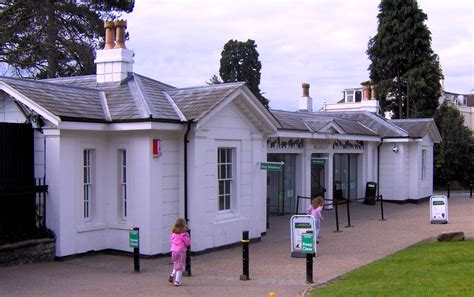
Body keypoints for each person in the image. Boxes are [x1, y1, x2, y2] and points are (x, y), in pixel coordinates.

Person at [168, 218, 190, 287]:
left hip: (173, 251)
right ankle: (177, 281)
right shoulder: (184, 234)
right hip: (181, 251)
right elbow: (187, 243)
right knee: (180, 266)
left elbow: (171, 241)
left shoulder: (173, 233)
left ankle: (173, 274)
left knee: (176, 263)